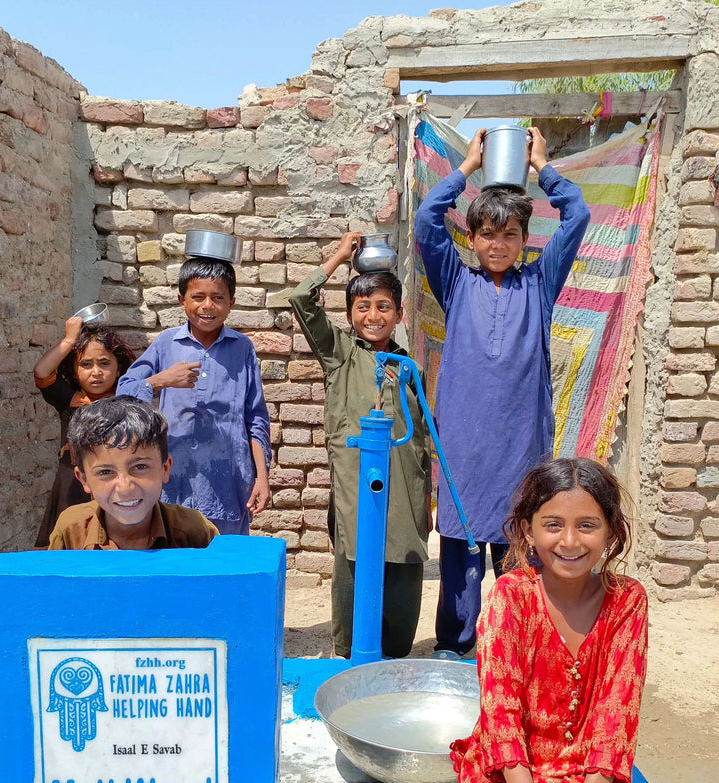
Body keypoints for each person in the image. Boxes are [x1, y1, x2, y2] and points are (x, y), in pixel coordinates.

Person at [442, 457, 651, 783]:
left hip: (589, 774)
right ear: (528, 532)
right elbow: (501, 712)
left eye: (587, 526)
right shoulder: (512, 597)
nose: (570, 542)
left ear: (611, 532)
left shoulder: (628, 602)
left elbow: (619, 710)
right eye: (552, 525)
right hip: (512, 772)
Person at [414, 126, 591, 658]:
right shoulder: (456, 283)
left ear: (524, 241)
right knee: (460, 564)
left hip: (521, 452)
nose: (498, 245)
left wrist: (542, 167)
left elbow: (577, 215)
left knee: (521, 561)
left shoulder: (539, 284)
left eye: (510, 235)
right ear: (472, 239)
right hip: (466, 453)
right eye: (487, 235)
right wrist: (467, 166)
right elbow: (426, 221)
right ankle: (454, 648)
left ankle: (517, 652)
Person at [289, 232, 431, 659]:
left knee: (404, 555)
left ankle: (396, 652)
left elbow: (423, 434)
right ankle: (348, 650)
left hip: (405, 479)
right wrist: (338, 256)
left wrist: (428, 491)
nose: (373, 315)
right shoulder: (341, 354)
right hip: (356, 478)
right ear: (350, 314)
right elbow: (300, 298)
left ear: (399, 313)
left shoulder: (408, 366)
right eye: (363, 307)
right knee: (354, 556)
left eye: (383, 306)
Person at [116, 257, 271, 535]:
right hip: (175, 478)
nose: (207, 306)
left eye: (218, 298)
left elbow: (256, 418)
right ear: (182, 300)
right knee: (175, 558)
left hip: (229, 480)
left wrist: (262, 476)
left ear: (231, 302)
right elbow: (124, 390)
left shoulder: (242, 348)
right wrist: (162, 380)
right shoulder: (167, 343)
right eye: (198, 297)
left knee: (223, 562)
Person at [48, 396, 218, 550]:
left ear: (165, 469)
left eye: (140, 467)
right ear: (84, 479)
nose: (125, 488)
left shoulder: (194, 530)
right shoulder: (72, 530)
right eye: (106, 471)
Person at [33, 318, 134, 546]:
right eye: (86, 364)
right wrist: (69, 340)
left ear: (118, 369)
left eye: (104, 364)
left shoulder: (128, 402)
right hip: (73, 488)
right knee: (70, 546)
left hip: (116, 489)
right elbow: (42, 371)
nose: (96, 372)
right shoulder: (70, 401)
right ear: (74, 370)